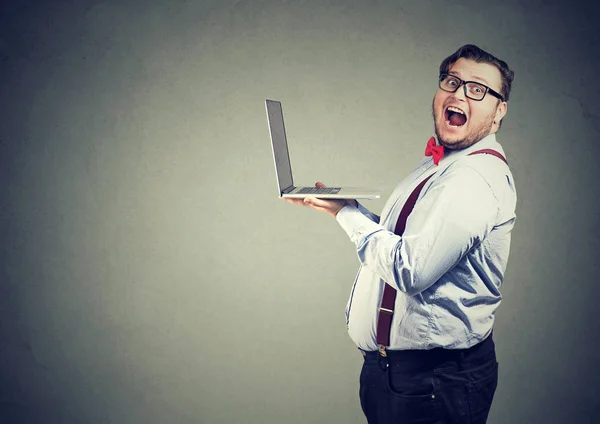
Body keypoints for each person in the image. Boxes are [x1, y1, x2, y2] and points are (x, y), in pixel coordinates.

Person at [283, 44, 516, 424]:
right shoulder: (442, 165)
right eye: (452, 81)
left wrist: (347, 215)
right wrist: (348, 208)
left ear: (498, 111)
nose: (459, 93)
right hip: (399, 376)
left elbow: (411, 270)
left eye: (477, 89)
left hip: (435, 381)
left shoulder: (473, 179)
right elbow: (410, 239)